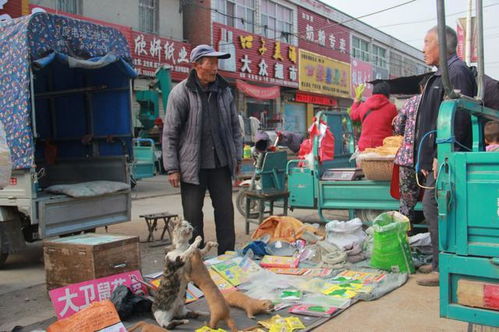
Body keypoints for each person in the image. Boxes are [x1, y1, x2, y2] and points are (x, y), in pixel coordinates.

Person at [162, 44, 243, 255]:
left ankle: (227, 257)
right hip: (192, 166)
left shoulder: (225, 92)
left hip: (220, 163)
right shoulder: (180, 93)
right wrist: (172, 168)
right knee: (192, 217)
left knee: (225, 212)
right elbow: (170, 132)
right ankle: (195, 260)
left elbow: (235, 128)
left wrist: (236, 157)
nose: (216, 68)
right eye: (211, 63)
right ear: (197, 65)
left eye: (217, 63)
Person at [414, 26, 476, 286]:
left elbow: (458, 117)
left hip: (449, 156)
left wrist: (442, 154)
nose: (423, 48)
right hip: (437, 157)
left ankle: (444, 268)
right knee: (433, 209)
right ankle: (441, 263)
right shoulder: (441, 74)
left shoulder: (456, 72)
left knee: (437, 208)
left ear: (442, 44)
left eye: (427, 42)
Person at [393, 76, 430, 226]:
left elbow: (399, 126)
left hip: (408, 158)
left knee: (407, 203)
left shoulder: (411, 101)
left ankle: (405, 236)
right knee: (432, 200)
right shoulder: (439, 102)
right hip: (429, 158)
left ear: (421, 88)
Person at [350, 81, 397, 151]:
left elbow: (353, 116)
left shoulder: (363, 106)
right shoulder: (391, 108)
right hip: (383, 149)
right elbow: (396, 126)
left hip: (364, 148)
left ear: (373, 93)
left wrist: (356, 103)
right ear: (388, 94)